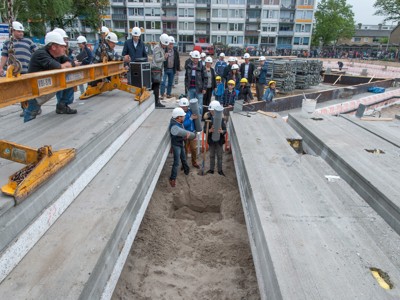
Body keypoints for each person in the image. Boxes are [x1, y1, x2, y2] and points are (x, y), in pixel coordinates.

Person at [23, 31, 73, 122]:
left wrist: (67, 64)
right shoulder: (40, 54)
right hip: (35, 91)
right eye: (62, 46)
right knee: (32, 112)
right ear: (53, 47)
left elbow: (71, 63)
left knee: (71, 81)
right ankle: (25, 130)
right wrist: (63, 65)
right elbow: (58, 66)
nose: (65, 49)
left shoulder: (56, 55)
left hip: (46, 88)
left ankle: (62, 105)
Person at [1, 21, 38, 116]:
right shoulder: (8, 43)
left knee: (31, 90)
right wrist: (0, 67)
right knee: (21, 92)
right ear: (12, 31)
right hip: (16, 72)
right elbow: (4, 56)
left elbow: (37, 53)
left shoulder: (28, 41)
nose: (21, 33)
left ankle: (34, 107)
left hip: (28, 70)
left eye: (22, 32)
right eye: (18, 31)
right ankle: (25, 108)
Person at [52, 28, 80, 114]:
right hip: (58, 76)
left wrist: (72, 63)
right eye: (64, 39)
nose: (66, 41)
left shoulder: (63, 51)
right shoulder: (53, 53)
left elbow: (68, 60)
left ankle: (63, 105)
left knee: (67, 87)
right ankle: (62, 106)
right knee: (61, 90)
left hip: (63, 75)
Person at [204, 100, 226, 176]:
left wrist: (222, 131)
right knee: (211, 155)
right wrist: (209, 130)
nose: (211, 112)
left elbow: (225, 130)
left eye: (212, 111)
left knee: (219, 156)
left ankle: (220, 170)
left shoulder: (221, 118)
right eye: (210, 111)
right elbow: (204, 130)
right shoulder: (208, 118)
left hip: (219, 141)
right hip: (211, 141)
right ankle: (211, 169)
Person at [169, 107, 190, 187]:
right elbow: (174, 136)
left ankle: (186, 170)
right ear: (178, 117)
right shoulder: (174, 126)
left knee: (183, 158)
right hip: (176, 145)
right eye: (183, 116)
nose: (184, 117)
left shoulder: (177, 122)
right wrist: (184, 138)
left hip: (180, 144)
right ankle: (172, 178)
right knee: (176, 162)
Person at [184, 50, 207, 116]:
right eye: (194, 58)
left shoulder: (202, 67)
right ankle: (192, 119)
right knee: (191, 104)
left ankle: (199, 119)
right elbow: (186, 77)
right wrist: (186, 86)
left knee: (199, 105)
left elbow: (205, 78)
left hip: (199, 89)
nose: (195, 60)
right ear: (192, 58)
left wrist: (204, 88)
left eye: (196, 58)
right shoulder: (188, 66)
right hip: (190, 88)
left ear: (198, 58)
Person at [179, 97, 200, 169]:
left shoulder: (191, 111)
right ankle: (184, 164)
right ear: (180, 106)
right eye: (183, 106)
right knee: (185, 149)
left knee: (193, 148)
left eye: (186, 106)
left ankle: (194, 162)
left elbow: (198, 111)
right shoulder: (180, 115)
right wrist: (191, 118)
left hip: (193, 133)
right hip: (185, 134)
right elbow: (184, 124)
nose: (184, 108)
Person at [151, 33, 170, 108]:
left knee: (156, 86)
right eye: (164, 44)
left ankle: (156, 101)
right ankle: (156, 102)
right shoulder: (157, 48)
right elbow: (156, 59)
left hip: (158, 70)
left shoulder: (161, 48)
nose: (165, 46)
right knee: (156, 86)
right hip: (156, 70)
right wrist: (164, 57)